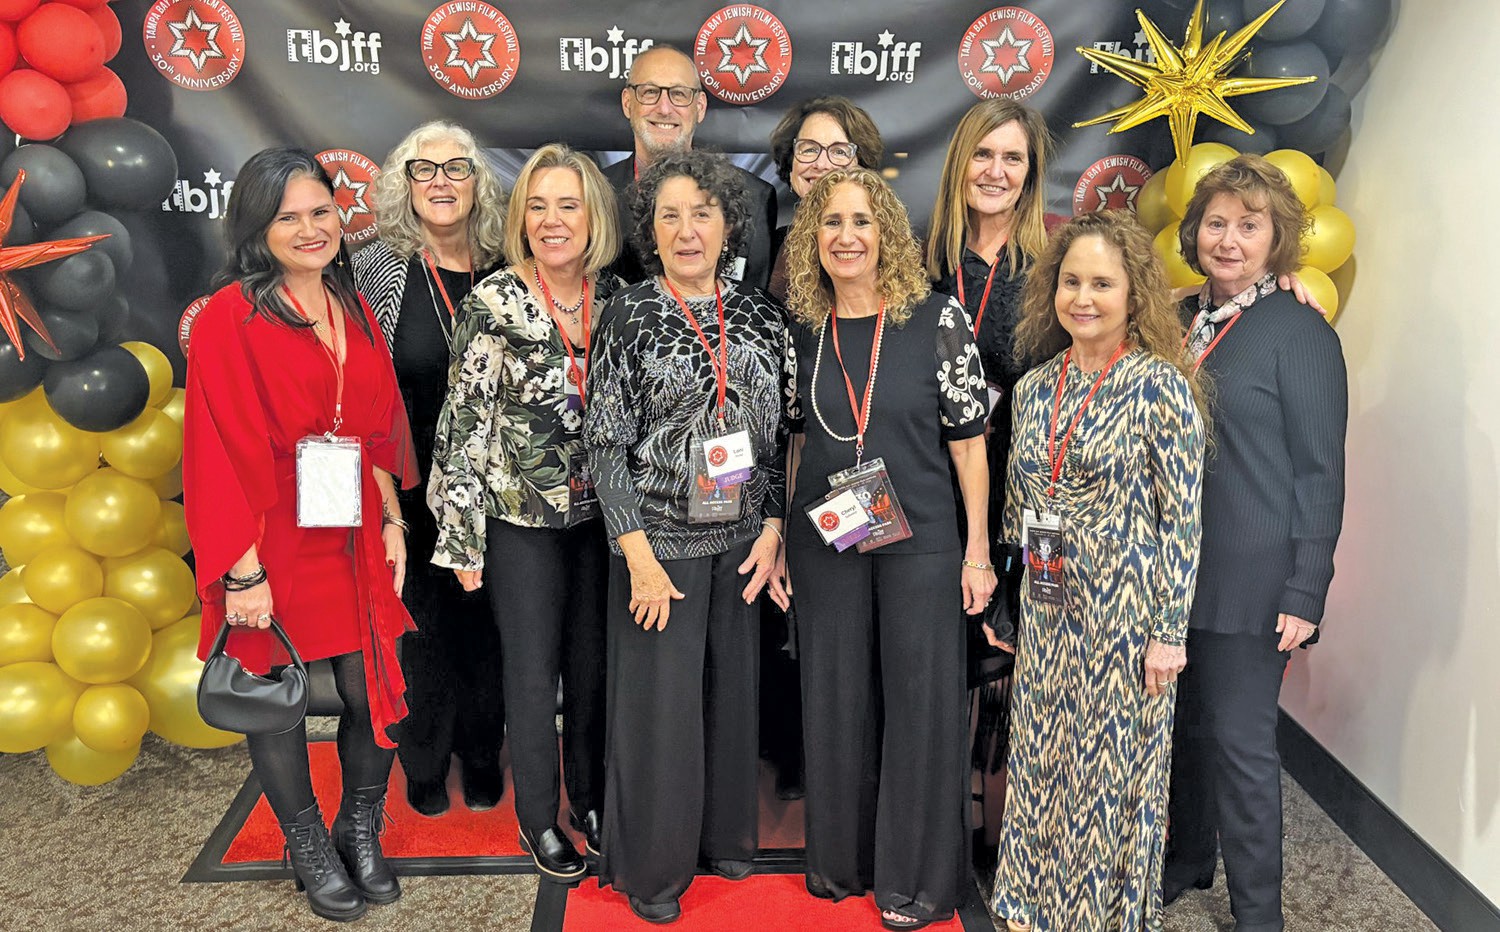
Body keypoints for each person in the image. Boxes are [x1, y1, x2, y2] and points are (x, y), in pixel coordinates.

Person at [184, 147, 418, 922]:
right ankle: (307, 839)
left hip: (349, 526)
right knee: (276, 698)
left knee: (368, 683)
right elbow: (213, 448)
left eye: (321, 212)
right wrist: (241, 574)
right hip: (267, 532)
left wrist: (390, 517)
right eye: (289, 217)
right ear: (258, 227)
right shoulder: (230, 316)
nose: (311, 229)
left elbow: (376, 428)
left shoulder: (346, 299)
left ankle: (359, 825)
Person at [774, 167, 993, 931]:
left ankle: (919, 881)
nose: (846, 236)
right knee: (833, 702)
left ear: (887, 235)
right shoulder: (800, 330)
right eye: (831, 223)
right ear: (813, 239)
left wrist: (978, 553)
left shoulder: (938, 320)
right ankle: (841, 865)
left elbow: (970, 448)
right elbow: (793, 446)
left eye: (862, 222)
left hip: (925, 544)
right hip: (826, 542)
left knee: (921, 709)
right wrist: (780, 539)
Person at [986, 209, 1207, 932]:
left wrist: (1169, 632)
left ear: (1134, 295)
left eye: (1102, 284)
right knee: (1043, 762)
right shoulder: (1034, 389)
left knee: (1105, 777)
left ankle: (1098, 916)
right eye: (1071, 281)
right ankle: (1031, 906)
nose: (1084, 297)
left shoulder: (1160, 388)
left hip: (1127, 621)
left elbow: (1182, 522)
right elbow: (1022, 512)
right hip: (1050, 614)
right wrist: (1012, 607)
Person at [584, 149, 788, 924]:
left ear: (728, 223)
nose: (685, 229)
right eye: (668, 215)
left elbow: (777, 440)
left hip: (741, 541)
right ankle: (654, 872)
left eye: (701, 213)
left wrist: (771, 527)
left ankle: (724, 840)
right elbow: (604, 444)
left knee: (731, 701)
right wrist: (634, 552)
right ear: (651, 230)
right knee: (660, 716)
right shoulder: (630, 313)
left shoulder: (761, 315)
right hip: (659, 544)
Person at [426, 143, 623, 882]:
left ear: (592, 214)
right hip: (520, 521)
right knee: (534, 674)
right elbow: (465, 421)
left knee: (594, 666)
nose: (550, 220)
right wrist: (464, 539)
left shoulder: (620, 297)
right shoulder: (492, 303)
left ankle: (593, 799)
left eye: (566, 204)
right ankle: (538, 816)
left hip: (602, 521)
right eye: (536, 206)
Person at [1163, 155, 1347, 932]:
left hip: (1253, 579)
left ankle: (1260, 915)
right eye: (1216, 223)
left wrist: (1307, 588)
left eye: (1249, 225)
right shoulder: (1176, 321)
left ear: (1279, 239)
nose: (1229, 239)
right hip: (1174, 573)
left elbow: (1320, 470)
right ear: (1193, 231)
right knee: (1184, 733)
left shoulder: (1299, 329)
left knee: (1240, 745)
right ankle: (1186, 861)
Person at [352, 120, 508, 818]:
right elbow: (356, 390)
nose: (441, 181)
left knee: (490, 623)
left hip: (496, 483)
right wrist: (384, 501)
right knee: (420, 626)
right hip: (408, 483)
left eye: (457, 167)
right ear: (403, 185)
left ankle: (481, 752)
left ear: (480, 184)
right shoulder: (374, 268)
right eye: (424, 169)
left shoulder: (511, 264)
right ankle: (422, 757)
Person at [925, 95, 1054, 870]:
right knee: (933, 659)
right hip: (924, 483)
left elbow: (1123, 313)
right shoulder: (923, 258)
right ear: (960, 162)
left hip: (1019, 485)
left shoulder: (1050, 268)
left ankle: (1000, 833)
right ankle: (930, 814)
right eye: (983, 154)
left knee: (1005, 658)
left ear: (1031, 171)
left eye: (1012, 158)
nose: (996, 171)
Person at [601, 44, 776, 289]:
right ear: (628, 103)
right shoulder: (595, 192)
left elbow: (755, 300)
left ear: (700, 107)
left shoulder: (754, 197)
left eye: (679, 94)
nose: (664, 108)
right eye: (650, 92)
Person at [766, 95, 885, 303]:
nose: (821, 164)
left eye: (839, 151)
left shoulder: (887, 247)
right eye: (809, 149)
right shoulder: (770, 246)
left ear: (861, 164)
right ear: (791, 161)